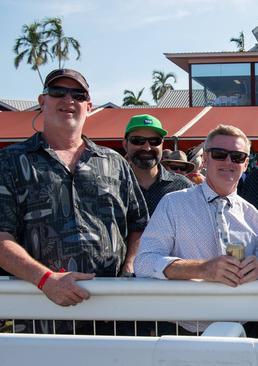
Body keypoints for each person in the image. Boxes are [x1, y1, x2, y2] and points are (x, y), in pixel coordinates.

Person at [0, 69, 148, 308]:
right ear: (42, 101)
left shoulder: (115, 163)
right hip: (40, 307)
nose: (68, 100)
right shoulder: (10, 162)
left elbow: (139, 225)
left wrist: (130, 268)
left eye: (78, 95)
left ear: (89, 106)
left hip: (114, 308)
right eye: (58, 92)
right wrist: (46, 280)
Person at [134, 125, 258, 333]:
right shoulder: (173, 204)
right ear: (205, 160)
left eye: (237, 156)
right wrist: (202, 269)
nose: (228, 162)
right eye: (219, 154)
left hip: (242, 330)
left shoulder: (256, 219)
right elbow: (144, 262)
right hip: (182, 329)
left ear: (245, 163)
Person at [123, 114, 192, 215]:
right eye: (138, 141)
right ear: (125, 145)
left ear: (162, 144)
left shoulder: (182, 187)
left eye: (154, 141)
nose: (147, 148)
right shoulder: (112, 185)